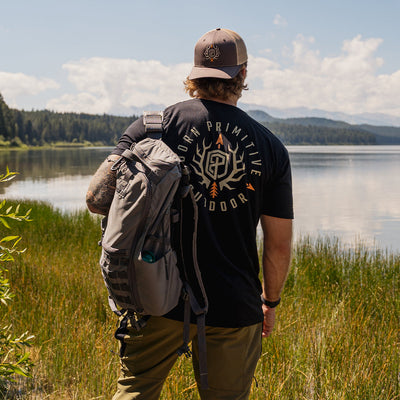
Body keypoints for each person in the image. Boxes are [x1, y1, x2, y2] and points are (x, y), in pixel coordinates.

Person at [86, 28, 293, 400]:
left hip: (155, 294)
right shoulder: (270, 146)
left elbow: (96, 198)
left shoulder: (151, 128)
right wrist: (270, 302)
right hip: (234, 305)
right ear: (242, 75)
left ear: (194, 74)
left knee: (135, 392)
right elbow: (278, 246)